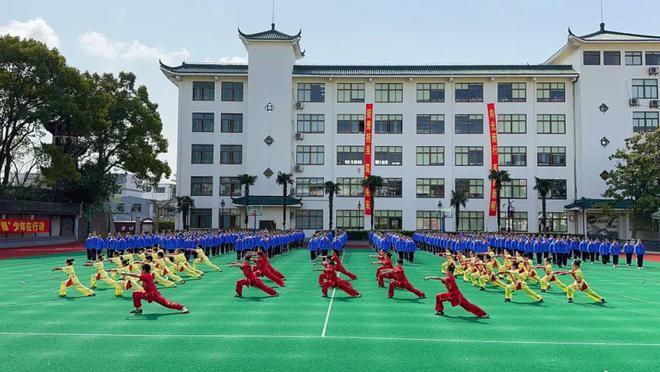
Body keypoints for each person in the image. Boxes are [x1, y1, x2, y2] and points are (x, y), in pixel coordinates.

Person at [121, 263, 188, 314]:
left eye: (141, 269)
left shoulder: (146, 276)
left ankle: (182, 307)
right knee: (135, 294)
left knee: (167, 304)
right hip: (147, 293)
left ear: (144, 270)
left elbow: (136, 275)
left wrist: (126, 273)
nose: (140, 271)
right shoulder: (146, 275)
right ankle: (138, 309)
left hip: (154, 294)